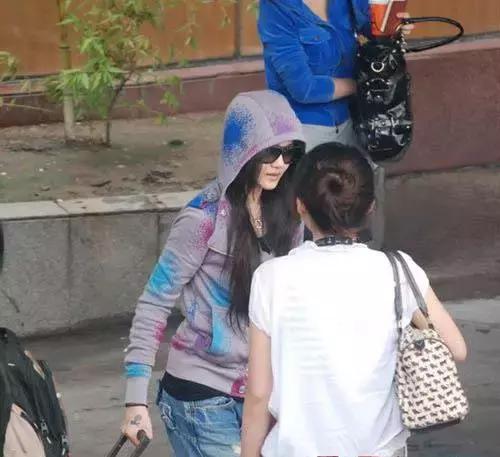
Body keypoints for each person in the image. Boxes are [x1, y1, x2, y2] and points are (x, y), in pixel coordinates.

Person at [241, 142, 467, 457]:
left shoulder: (271, 278)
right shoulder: (398, 270)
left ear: (300, 206)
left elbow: (258, 393)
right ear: (370, 207)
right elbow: (456, 348)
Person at [121, 90, 306, 456]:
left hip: (263, 392)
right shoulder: (202, 220)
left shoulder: (290, 215)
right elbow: (155, 302)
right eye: (270, 152)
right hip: (201, 394)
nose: (280, 163)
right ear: (243, 151)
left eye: (290, 153)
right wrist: (134, 400)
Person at [258, 0, 413, 246]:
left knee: (363, 203)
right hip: (303, 127)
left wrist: (393, 27)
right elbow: (304, 88)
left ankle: (370, 261)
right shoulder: (277, 7)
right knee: (308, 219)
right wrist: (365, 85)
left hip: (354, 119)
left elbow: (371, 28)